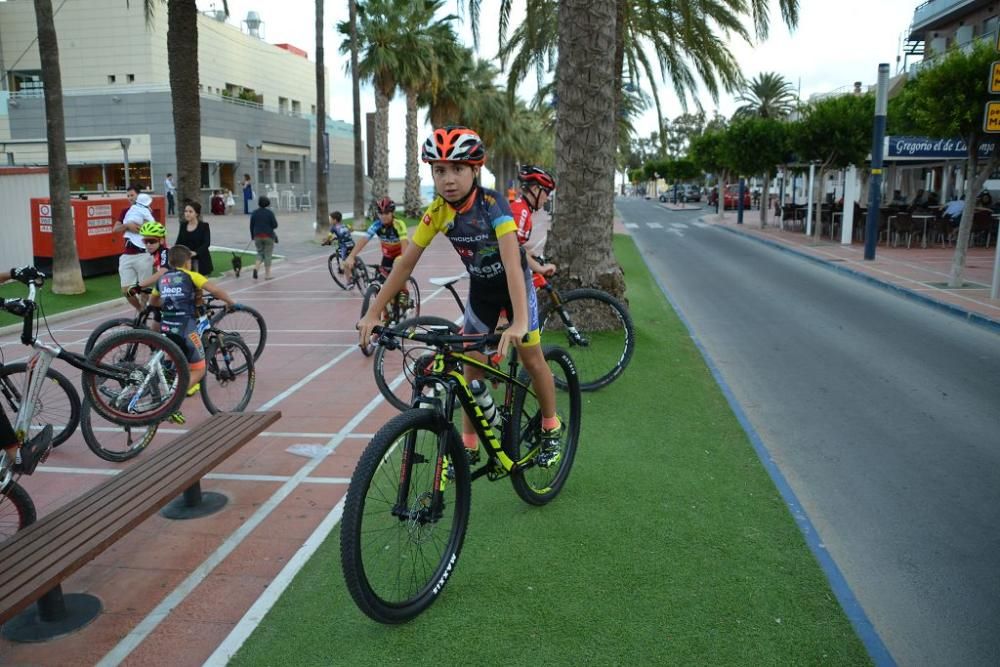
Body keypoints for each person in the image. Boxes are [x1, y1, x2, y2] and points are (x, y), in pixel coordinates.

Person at [356, 126, 563, 467]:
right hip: (481, 290)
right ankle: (469, 445)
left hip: (515, 289)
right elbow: (405, 263)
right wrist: (375, 311)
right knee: (471, 368)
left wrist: (520, 322)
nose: (448, 179)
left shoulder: (493, 204)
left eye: (458, 169)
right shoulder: (437, 211)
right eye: (439, 170)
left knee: (531, 359)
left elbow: (513, 264)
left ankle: (550, 428)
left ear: (475, 170)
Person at [150, 245, 236, 424]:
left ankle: (169, 390)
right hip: (185, 328)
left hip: (167, 327)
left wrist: (172, 303)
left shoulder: (163, 279)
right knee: (199, 369)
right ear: (187, 262)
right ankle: (172, 403)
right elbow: (215, 291)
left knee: (176, 360)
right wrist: (230, 301)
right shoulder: (191, 276)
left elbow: (154, 301)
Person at [343, 197, 409, 287]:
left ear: (392, 213)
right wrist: (351, 256)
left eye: (386, 213)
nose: (383, 216)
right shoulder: (376, 225)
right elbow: (363, 240)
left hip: (400, 254)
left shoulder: (399, 224)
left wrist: (403, 259)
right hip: (387, 257)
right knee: (382, 284)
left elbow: (404, 243)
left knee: (398, 269)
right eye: (381, 213)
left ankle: (404, 293)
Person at [510, 164, 557, 283]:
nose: (547, 199)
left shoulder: (521, 208)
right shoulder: (521, 213)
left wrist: (526, 253)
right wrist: (540, 268)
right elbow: (513, 250)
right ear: (535, 189)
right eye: (546, 192)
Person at [113, 186, 156, 312]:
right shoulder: (125, 211)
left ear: (139, 196)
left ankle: (144, 314)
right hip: (127, 255)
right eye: (128, 196)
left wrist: (136, 227)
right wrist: (127, 225)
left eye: (132, 195)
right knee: (126, 289)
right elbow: (115, 229)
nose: (130, 198)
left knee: (144, 289)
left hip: (143, 254)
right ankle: (140, 310)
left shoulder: (145, 210)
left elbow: (154, 230)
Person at [176, 201, 214, 276]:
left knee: (200, 285)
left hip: (201, 261)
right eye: (186, 211)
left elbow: (206, 243)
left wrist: (195, 252)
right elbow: (179, 242)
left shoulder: (204, 226)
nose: (187, 213)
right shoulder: (183, 226)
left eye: (190, 211)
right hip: (186, 261)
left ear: (196, 214)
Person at [249, 195, 278, 280]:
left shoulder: (254, 213)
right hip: (268, 236)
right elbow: (275, 225)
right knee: (268, 255)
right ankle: (267, 275)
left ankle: (256, 268)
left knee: (260, 253)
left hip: (257, 236)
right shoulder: (270, 213)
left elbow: (251, 226)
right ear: (267, 203)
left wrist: (252, 236)